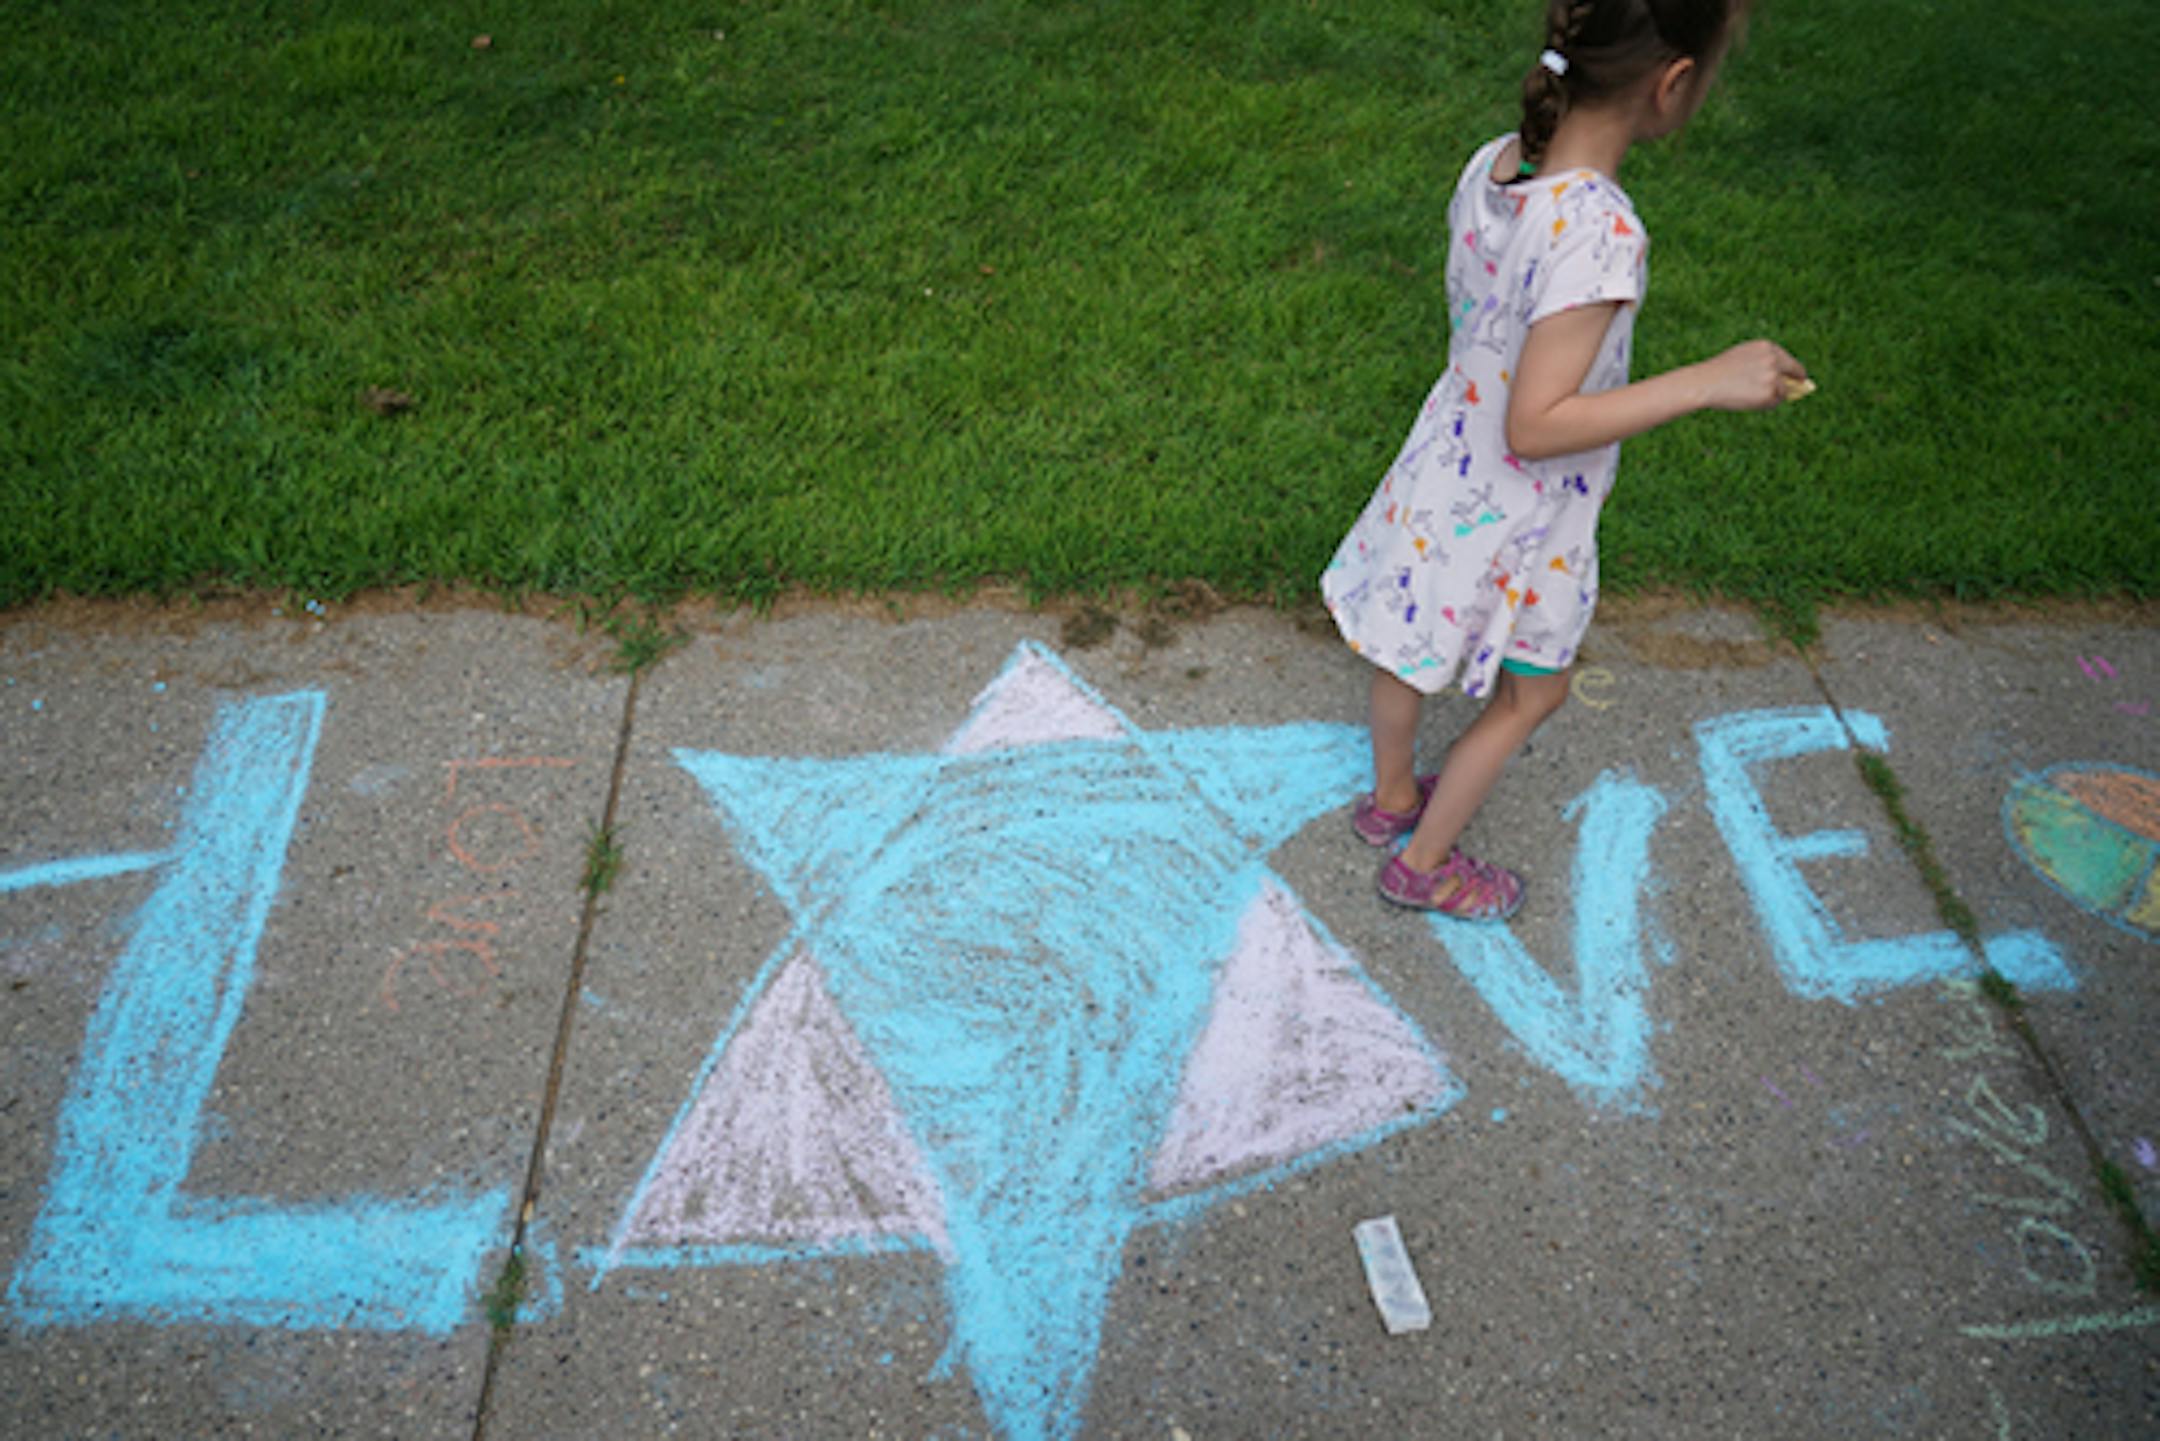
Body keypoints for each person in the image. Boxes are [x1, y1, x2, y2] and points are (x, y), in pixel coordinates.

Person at [1320, 0, 1806, 920]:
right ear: (1671, 84)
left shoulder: (1498, 163)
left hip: (1442, 473)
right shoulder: (1601, 233)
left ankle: (1390, 802)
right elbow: (1537, 425)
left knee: (1406, 647)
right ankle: (1424, 863)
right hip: (1526, 511)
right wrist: (1707, 378)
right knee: (1532, 695)